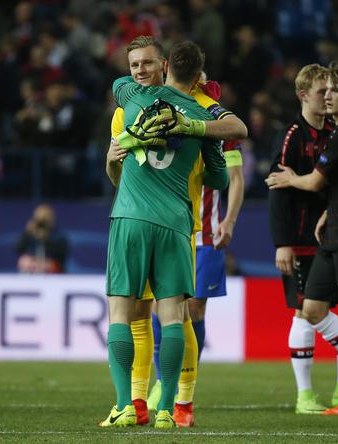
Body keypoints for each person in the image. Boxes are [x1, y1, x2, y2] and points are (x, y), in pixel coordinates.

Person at [105, 36, 246, 428]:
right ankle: (167, 409)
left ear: (165, 66)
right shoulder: (203, 123)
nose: (138, 71)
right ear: (199, 76)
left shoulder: (130, 97)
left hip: (130, 219)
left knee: (122, 313)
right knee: (173, 319)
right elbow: (220, 176)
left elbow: (119, 85)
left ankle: (123, 406)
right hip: (177, 225)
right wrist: (197, 129)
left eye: (146, 64)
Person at [267, 62, 338, 416]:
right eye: (324, 90)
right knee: (312, 309)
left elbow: (317, 182)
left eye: (334, 90)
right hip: (332, 233)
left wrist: (291, 179)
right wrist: (285, 238)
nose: (328, 96)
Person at [15, 203, 69, 273]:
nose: (42, 220)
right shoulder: (29, 233)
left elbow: (62, 253)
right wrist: (28, 233)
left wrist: (45, 239)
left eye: (46, 217)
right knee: (25, 261)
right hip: (32, 266)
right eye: (40, 217)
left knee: (49, 265)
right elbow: (18, 248)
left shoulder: (58, 235)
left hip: (52, 268)